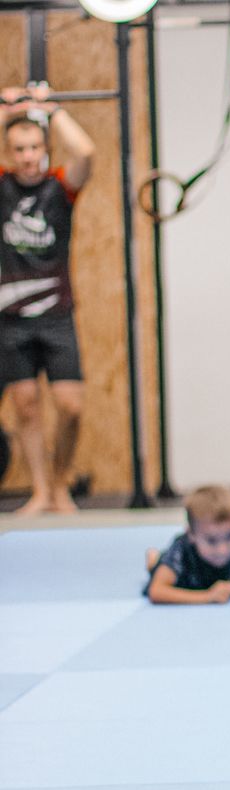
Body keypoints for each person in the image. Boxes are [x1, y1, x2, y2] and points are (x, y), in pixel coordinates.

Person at [0, 84, 95, 514]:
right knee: (26, 407)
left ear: (45, 148)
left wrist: (49, 109)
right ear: (9, 152)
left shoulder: (59, 187)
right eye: (19, 149)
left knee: (70, 407)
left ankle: (59, 484)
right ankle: (40, 491)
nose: (27, 156)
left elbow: (86, 152)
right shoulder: (3, 186)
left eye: (34, 147)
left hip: (56, 314)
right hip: (11, 317)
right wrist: (9, 111)